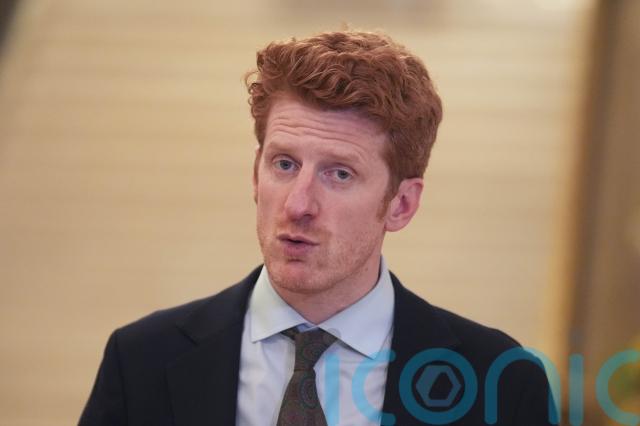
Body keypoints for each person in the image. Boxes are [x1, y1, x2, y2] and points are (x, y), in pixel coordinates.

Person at [79, 30, 556, 426]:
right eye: (284, 164)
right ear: (255, 175)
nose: (298, 204)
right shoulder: (140, 360)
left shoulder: (500, 382)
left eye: (339, 174)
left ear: (402, 204)